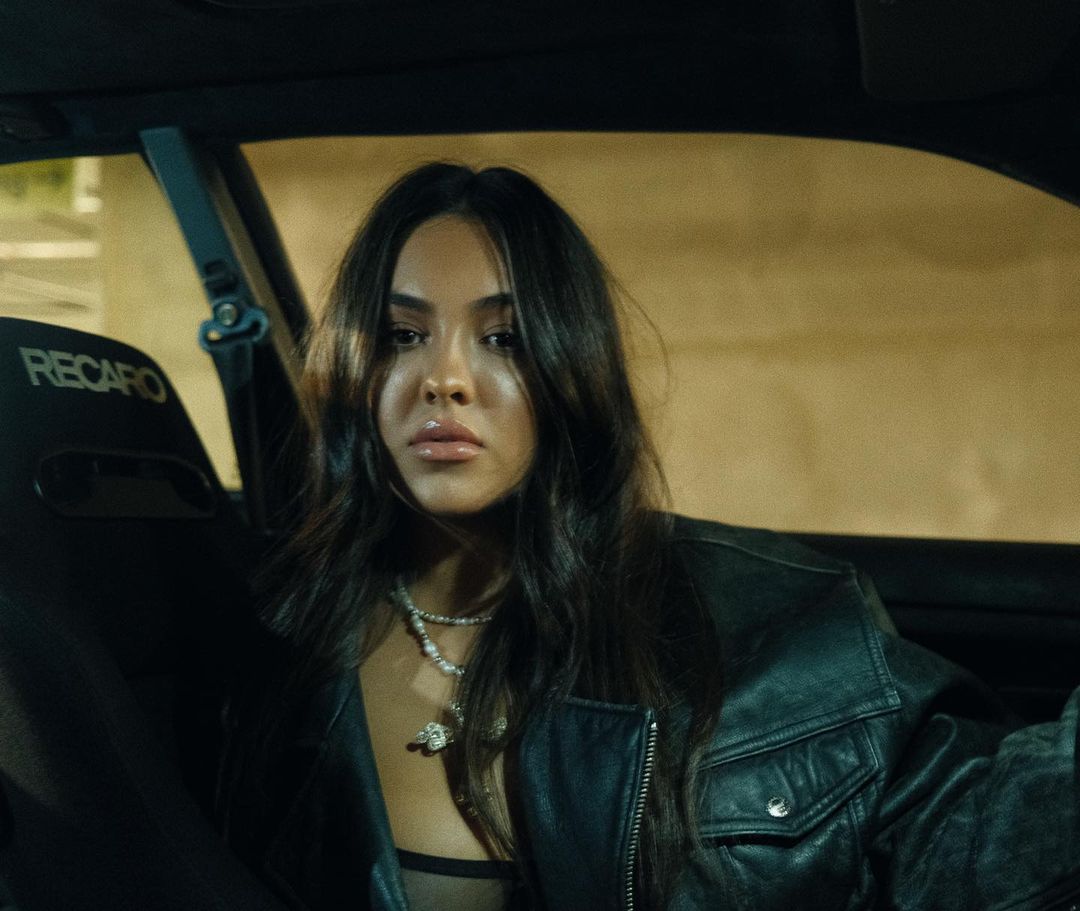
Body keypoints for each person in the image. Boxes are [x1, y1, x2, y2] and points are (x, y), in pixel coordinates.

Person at [218, 163, 1080, 911]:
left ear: (572, 366)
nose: (444, 378)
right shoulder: (274, 640)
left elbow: (985, 842)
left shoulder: (772, 624)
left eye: (504, 338)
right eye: (404, 336)